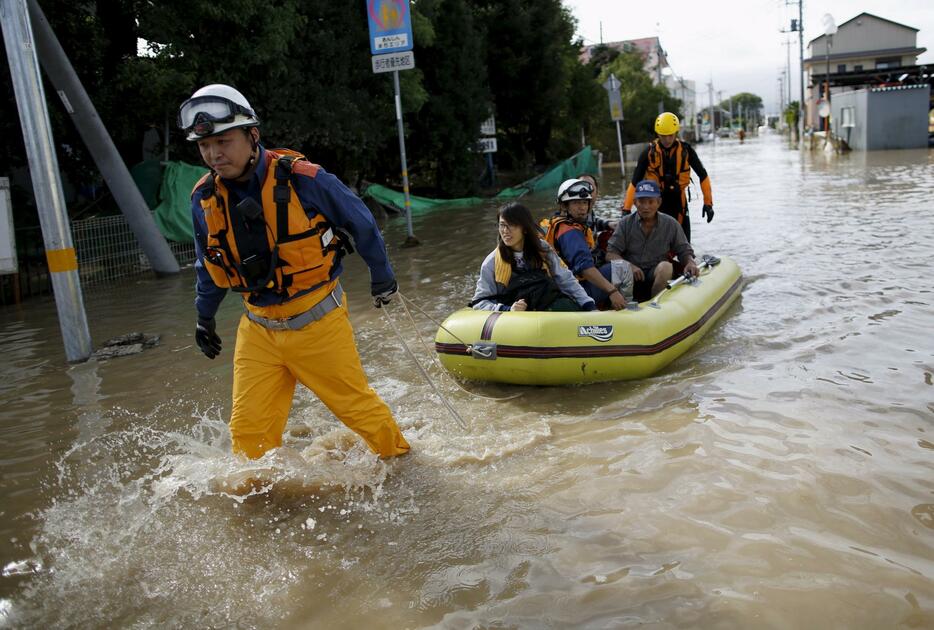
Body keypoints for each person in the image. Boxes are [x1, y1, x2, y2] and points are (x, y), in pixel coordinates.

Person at [181, 84, 410, 460]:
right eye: (205, 146)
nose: (214, 154)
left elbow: (363, 224)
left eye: (224, 141)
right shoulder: (203, 198)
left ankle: (407, 469)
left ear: (252, 135)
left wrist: (382, 279)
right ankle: (263, 504)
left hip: (317, 322)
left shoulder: (306, 179)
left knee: (359, 413)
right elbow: (207, 264)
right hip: (257, 329)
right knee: (247, 432)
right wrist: (204, 319)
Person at [470, 202, 596, 312]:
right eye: (502, 225)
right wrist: (507, 309)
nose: (505, 231)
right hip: (515, 316)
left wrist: (588, 304)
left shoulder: (543, 249)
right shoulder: (491, 263)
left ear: (524, 228)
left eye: (512, 225)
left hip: (546, 304)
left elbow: (565, 278)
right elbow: (479, 302)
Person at [621, 112, 714, 242]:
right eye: (663, 136)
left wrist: (708, 204)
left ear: (676, 133)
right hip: (656, 203)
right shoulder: (648, 153)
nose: (667, 140)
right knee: (658, 242)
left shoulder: (687, 151)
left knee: (684, 243)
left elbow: (703, 175)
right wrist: (626, 209)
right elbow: (635, 182)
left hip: (679, 202)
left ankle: (686, 260)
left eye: (670, 135)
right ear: (657, 134)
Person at [542, 179, 628, 310]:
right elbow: (585, 269)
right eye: (576, 203)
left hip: (561, 286)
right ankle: (626, 306)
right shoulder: (570, 232)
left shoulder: (558, 223)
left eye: (584, 203)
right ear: (564, 206)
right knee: (622, 267)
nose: (582, 207)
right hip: (576, 292)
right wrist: (612, 291)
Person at [607, 180, 699, 301]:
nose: (646, 207)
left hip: (656, 272)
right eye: (641, 202)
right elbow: (610, 254)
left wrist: (690, 262)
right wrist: (630, 266)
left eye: (651, 202)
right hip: (630, 276)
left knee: (666, 267)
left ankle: (655, 303)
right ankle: (623, 304)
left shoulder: (671, 223)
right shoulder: (625, 223)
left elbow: (684, 250)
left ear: (659, 202)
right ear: (635, 203)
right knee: (620, 266)